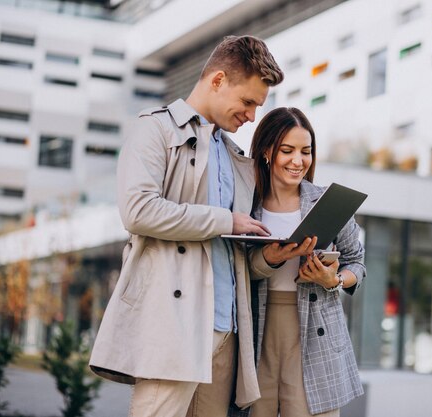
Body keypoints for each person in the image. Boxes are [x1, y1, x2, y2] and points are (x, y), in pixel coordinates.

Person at [89, 35, 290, 417]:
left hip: (227, 328)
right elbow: (138, 210)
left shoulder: (233, 155)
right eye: (247, 102)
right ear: (217, 80)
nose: (251, 116)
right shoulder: (155, 130)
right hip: (175, 321)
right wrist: (224, 219)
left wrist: (271, 258)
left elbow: (228, 251)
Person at [245, 107, 366, 417]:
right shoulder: (246, 204)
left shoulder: (329, 202)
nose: (298, 161)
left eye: (306, 151)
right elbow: (234, 267)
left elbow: (357, 263)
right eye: (287, 150)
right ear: (267, 151)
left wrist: (333, 280)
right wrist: (268, 259)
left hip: (315, 329)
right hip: (257, 328)